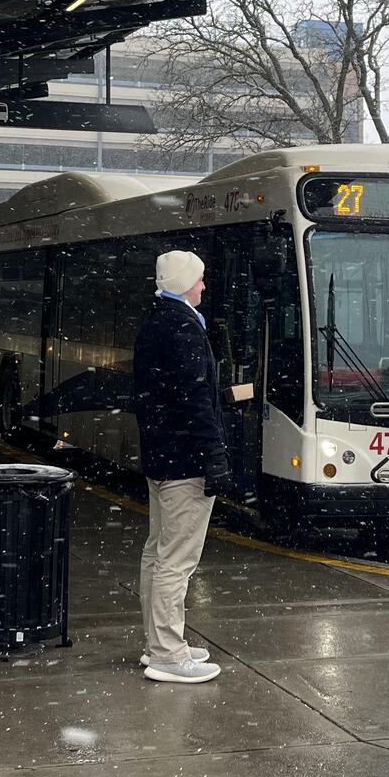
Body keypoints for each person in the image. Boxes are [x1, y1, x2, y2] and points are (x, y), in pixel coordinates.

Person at [132, 249, 231, 684]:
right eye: (200, 279)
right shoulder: (183, 329)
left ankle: (159, 644)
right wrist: (215, 456)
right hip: (185, 463)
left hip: (162, 457)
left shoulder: (157, 322)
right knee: (176, 560)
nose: (204, 286)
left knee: (157, 554)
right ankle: (168, 655)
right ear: (183, 283)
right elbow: (194, 402)